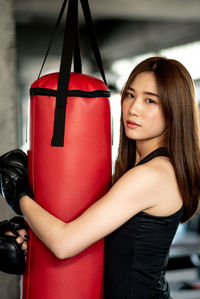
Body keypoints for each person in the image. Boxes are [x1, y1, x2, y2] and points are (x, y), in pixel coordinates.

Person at [1, 56, 200, 298]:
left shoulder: (154, 174)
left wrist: (19, 195)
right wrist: (31, 234)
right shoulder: (137, 170)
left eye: (150, 100)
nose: (134, 108)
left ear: (174, 111)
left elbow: (64, 244)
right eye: (130, 95)